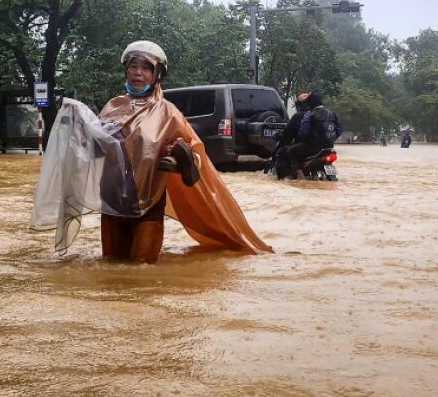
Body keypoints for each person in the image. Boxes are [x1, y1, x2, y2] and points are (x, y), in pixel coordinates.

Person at [31, 40, 272, 263]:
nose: (138, 73)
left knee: (141, 270)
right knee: (112, 269)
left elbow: (197, 158)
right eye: (133, 66)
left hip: (148, 204)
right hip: (112, 201)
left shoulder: (169, 113)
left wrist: (181, 158)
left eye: (146, 68)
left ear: (157, 75)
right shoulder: (113, 106)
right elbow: (96, 152)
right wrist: (78, 130)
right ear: (126, 70)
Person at [280, 91, 342, 180]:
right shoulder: (332, 113)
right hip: (329, 147)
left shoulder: (309, 114)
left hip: (312, 147)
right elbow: (339, 130)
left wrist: (305, 139)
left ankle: (300, 176)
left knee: (290, 151)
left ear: (311, 102)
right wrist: (331, 139)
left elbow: (303, 133)